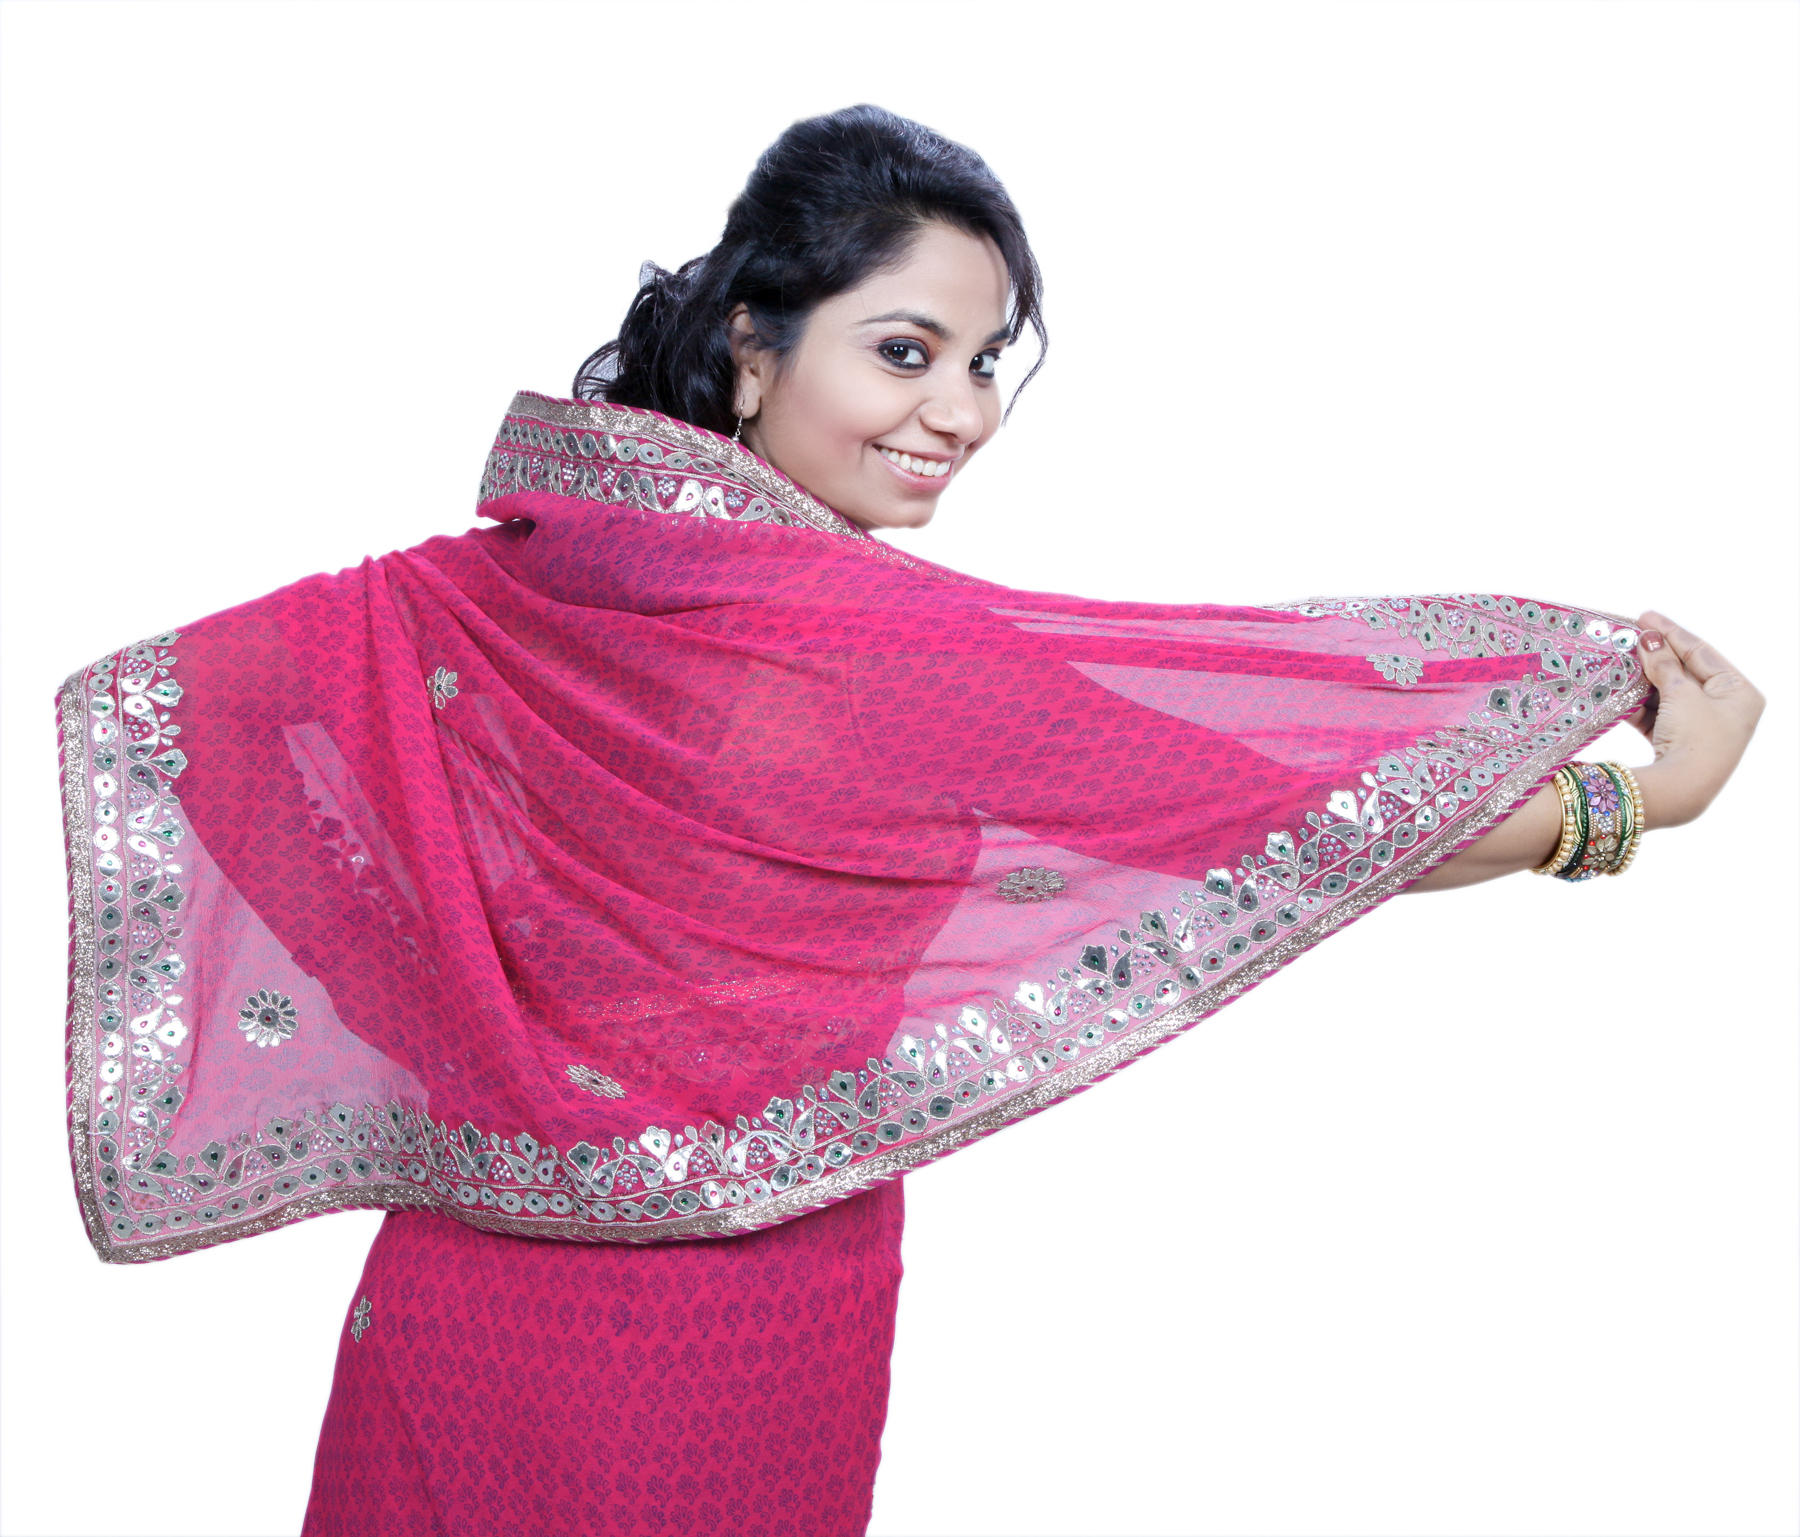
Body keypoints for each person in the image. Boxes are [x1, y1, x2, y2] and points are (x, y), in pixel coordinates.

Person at [56, 106, 1761, 1537]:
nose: (960, 411)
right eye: (904, 351)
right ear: (753, 343)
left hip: (465, 1285)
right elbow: (1256, 806)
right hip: (721, 1324)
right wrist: (1615, 808)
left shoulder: (499, 586)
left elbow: (183, 715)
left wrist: (444, 1020)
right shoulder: (865, 641)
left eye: (984, 362)